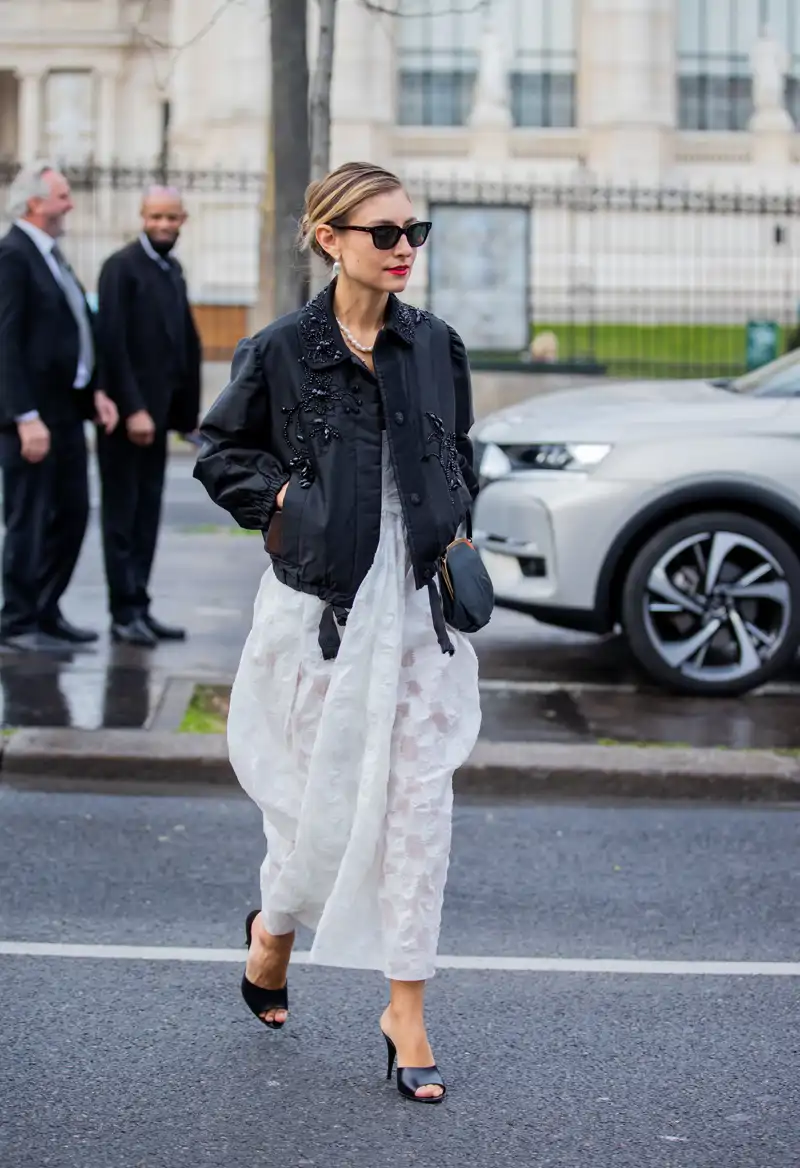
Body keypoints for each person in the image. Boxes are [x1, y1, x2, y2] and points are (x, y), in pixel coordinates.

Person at [194, 161, 482, 1104]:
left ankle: (407, 1008)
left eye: (415, 232)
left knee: (418, 810)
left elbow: (459, 448)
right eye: (384, 234)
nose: (405, 249)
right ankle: (273, 937)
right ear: (331, 239)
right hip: (321, 611)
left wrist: (457, 521)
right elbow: (222, 452)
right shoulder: (281, 349)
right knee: (316, 812)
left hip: (414, 612)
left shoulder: (437, 344)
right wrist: (286, 501)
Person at [0, 162, 118, 651]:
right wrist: (23, 416)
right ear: (36, 204)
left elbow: (70, 329)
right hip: (32, 418)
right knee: (30, 518)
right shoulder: (13, 256)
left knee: (70, 515)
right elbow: (4, 342)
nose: (70, 203)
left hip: (66, 412)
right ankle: (17, 621)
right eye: (63, 196)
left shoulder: (50, 255)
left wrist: (94, 391)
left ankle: (46, 610)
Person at [96, 186, 201, 646]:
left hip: (158, 419)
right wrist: (133, 408)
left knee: (147, 516)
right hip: (128, 421)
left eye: (172, 218)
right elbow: (112, 345)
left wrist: (184, 416)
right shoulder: (121, 268)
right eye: (156, 217)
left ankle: (140, 605)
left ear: (183, 220)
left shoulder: (172, 270)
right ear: (141, 216)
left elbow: (180, 343)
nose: (164, 225)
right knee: (122, 517)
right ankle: (123, 612)